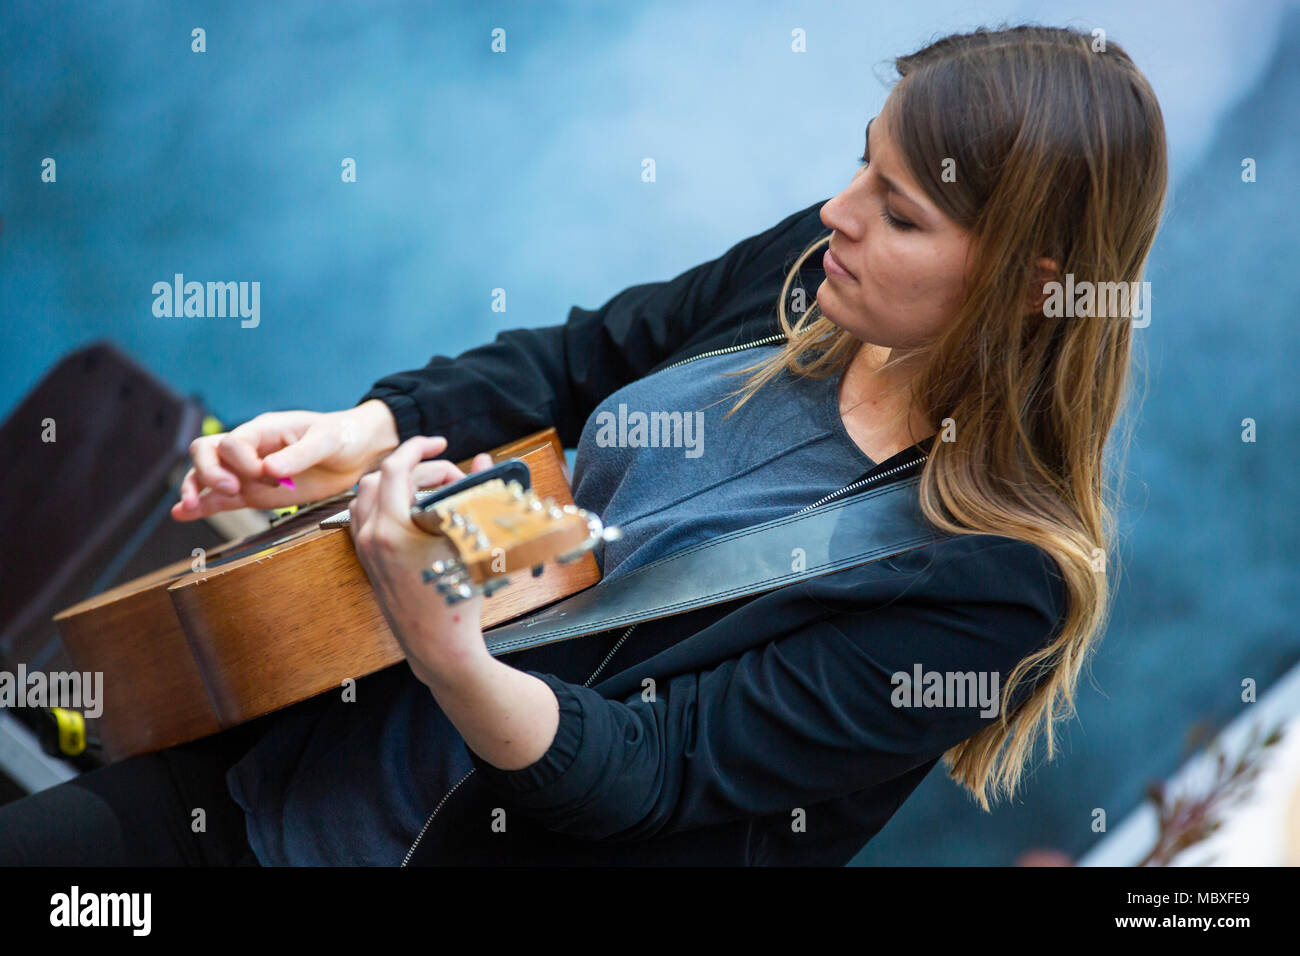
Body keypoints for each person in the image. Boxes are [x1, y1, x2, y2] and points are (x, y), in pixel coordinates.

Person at [0, 24, 1167, 866]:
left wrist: (449, 649)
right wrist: (365, 430)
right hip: (274, 761)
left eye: (899, 208)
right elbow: (577, 359)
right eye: (862, 159)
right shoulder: (816, 276)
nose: (838, 211)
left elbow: (659, 775)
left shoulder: (996, 583)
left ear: (1029, 287)